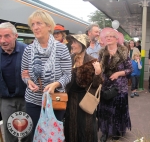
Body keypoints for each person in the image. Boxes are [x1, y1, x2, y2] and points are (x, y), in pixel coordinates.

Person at [21, 10, 72, 140]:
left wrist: (56, 84)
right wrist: (28, 81)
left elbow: (67, 75)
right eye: (32, 24)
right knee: (36, 135)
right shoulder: (28, 49)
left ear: (49, 26)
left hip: (55, 100)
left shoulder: (61, 48)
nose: (35, 27)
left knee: (52, 135)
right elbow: (24, 73)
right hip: (33, 101)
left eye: (39, 23)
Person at [64, 34, 103, 142]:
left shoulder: (92, 61)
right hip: (71, 98)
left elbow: (96, 85)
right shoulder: (69, 59)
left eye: (75, 42)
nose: (72, 45)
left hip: (86, 98)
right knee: (71, 126)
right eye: (72, 42)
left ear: (82, 44)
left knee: (87, 127)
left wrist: (98, 73)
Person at [97, 28, 132, 142]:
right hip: (106, 86)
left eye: (111, 36)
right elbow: (99, 68)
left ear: (117, 39)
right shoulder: (102, 52)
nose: (108, 38)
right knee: (105, 110)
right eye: (106, 36)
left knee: (118, 111)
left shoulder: (123, 52)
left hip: (119, 88)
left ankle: (117, 131)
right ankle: (105, 132)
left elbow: (130, 69)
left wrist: (118, 73)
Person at [0, 22, 30, 142]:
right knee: (9, 129)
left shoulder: (26, 50)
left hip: (26, 98)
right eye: (0, 37)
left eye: (7, 36)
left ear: (16, 36)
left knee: (27, 129)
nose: (2, 40)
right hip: (6, 99)